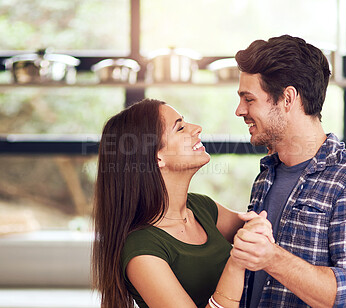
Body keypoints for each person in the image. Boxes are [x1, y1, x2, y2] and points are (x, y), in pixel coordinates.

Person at [230, 35, 346, 307]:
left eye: (249, 99)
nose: (239, 110)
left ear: (287, 98)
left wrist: (272, 257)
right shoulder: (267, 174)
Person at [92, 98, 272, 308]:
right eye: (180, 128)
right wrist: (236, 264)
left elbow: (254, 234)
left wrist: (258, 227)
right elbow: (244, 250)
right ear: (156, 157)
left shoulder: (201, 208)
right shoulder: (141, 250)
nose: (197, 129)